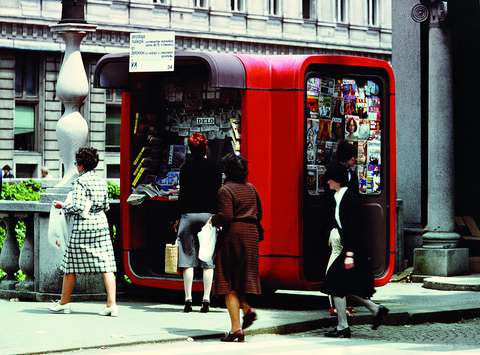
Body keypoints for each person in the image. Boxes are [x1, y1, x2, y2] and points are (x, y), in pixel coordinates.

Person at [322, 163, 389, 338]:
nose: (327, 182)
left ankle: (343, 326)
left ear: (336, 180)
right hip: (347, 246)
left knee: (333, 283)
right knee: (344, 286)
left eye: (329, 178)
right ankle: (375, 309)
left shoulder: (349, 198)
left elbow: (354, 228)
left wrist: (349, 254)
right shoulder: (337, 197)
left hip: (352, 248)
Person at [49, 147, 118, 316]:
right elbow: (106, 206)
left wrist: (63, 206)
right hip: (101, 223)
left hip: (84, 226)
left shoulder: (80, 182)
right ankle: (112, 305)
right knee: (106, 264)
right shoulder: (101, 180)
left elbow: (78, 206)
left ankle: (64, 303)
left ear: (80, 165)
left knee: (70, 265)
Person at [210, 153, 262, 342]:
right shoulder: (251, 189)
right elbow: (260, 213)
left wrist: (213, 220)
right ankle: (247, 310)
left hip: (233, 236)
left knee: (228, 283)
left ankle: (235, 330)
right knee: (240, 281)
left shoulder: (225, 190)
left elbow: (226, 216)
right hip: (251, 236)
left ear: (227, 171)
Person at [177, 133, 222, 313]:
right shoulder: (215, 167)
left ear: (190, 149)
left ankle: (188, 300)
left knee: (187, 259)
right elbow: (218, 194)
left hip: (188, 215)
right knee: (207, 259)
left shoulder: (185, 168)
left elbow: (182, 195)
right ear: (205, 148)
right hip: (208, 216)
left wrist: (177, 217)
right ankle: (205, 299)